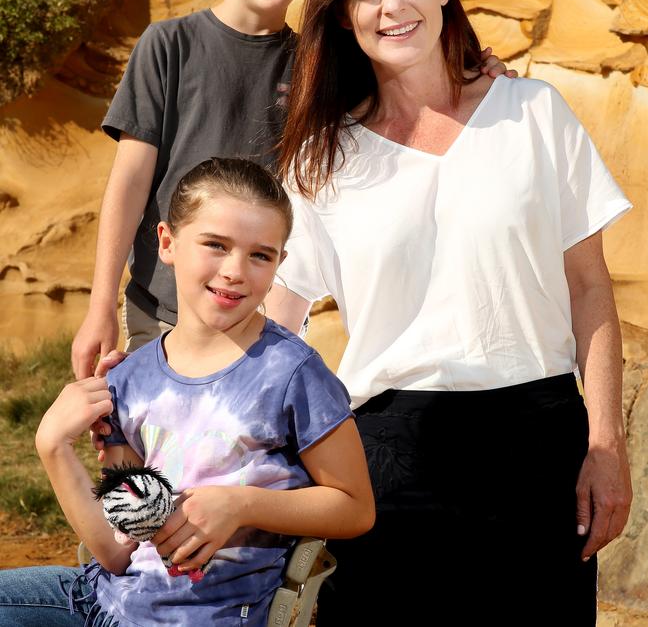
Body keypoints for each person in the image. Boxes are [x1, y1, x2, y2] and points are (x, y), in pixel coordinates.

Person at [264, 0, 633, 626]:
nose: (391, 4)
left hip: (539, 448)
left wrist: (606, 444)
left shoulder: (534, 113)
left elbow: (590, 288)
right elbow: (281, 314)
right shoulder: (319, 158)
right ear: (342, 14)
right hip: (389, 457)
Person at [70, 0, 514, 380]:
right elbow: (130, 181)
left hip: (266, 319)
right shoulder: (169, 46)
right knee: (156, 457)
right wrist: (101, 302)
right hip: (165, 312)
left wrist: (476, 70)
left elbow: (408, 88)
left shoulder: (323, 65)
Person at [0, 157, 375, 626]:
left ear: (281, 261)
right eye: (216, 245)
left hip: (206, 615)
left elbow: (355, 508)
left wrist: (241, 504)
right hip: (99, 602)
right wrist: (52, 446)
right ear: (167, 242)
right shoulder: (129, 379)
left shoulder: (292, 373)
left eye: (261, 254)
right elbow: (118, 550)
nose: (236, 270)